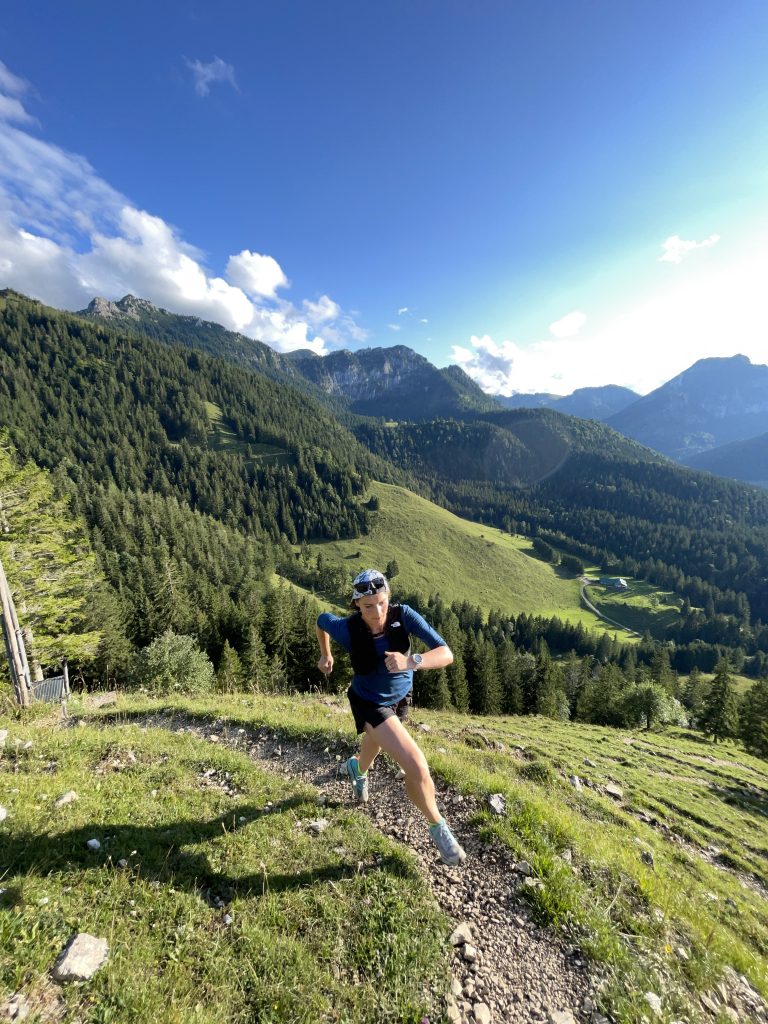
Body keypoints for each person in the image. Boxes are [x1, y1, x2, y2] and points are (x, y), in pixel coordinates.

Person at [315, 568, 466, 866]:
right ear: (356, 604)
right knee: (416, 765)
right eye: (368, 605)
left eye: (382, 602)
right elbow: (321, 621)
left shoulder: (404, 615)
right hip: (369, 702)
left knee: (379, 743)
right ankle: (438, 827)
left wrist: (412, 661)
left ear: (389, 597)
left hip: (400, 698)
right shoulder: (347, 628)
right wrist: (326, 654)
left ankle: (356, 770)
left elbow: (446, 653)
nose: (377, 611)